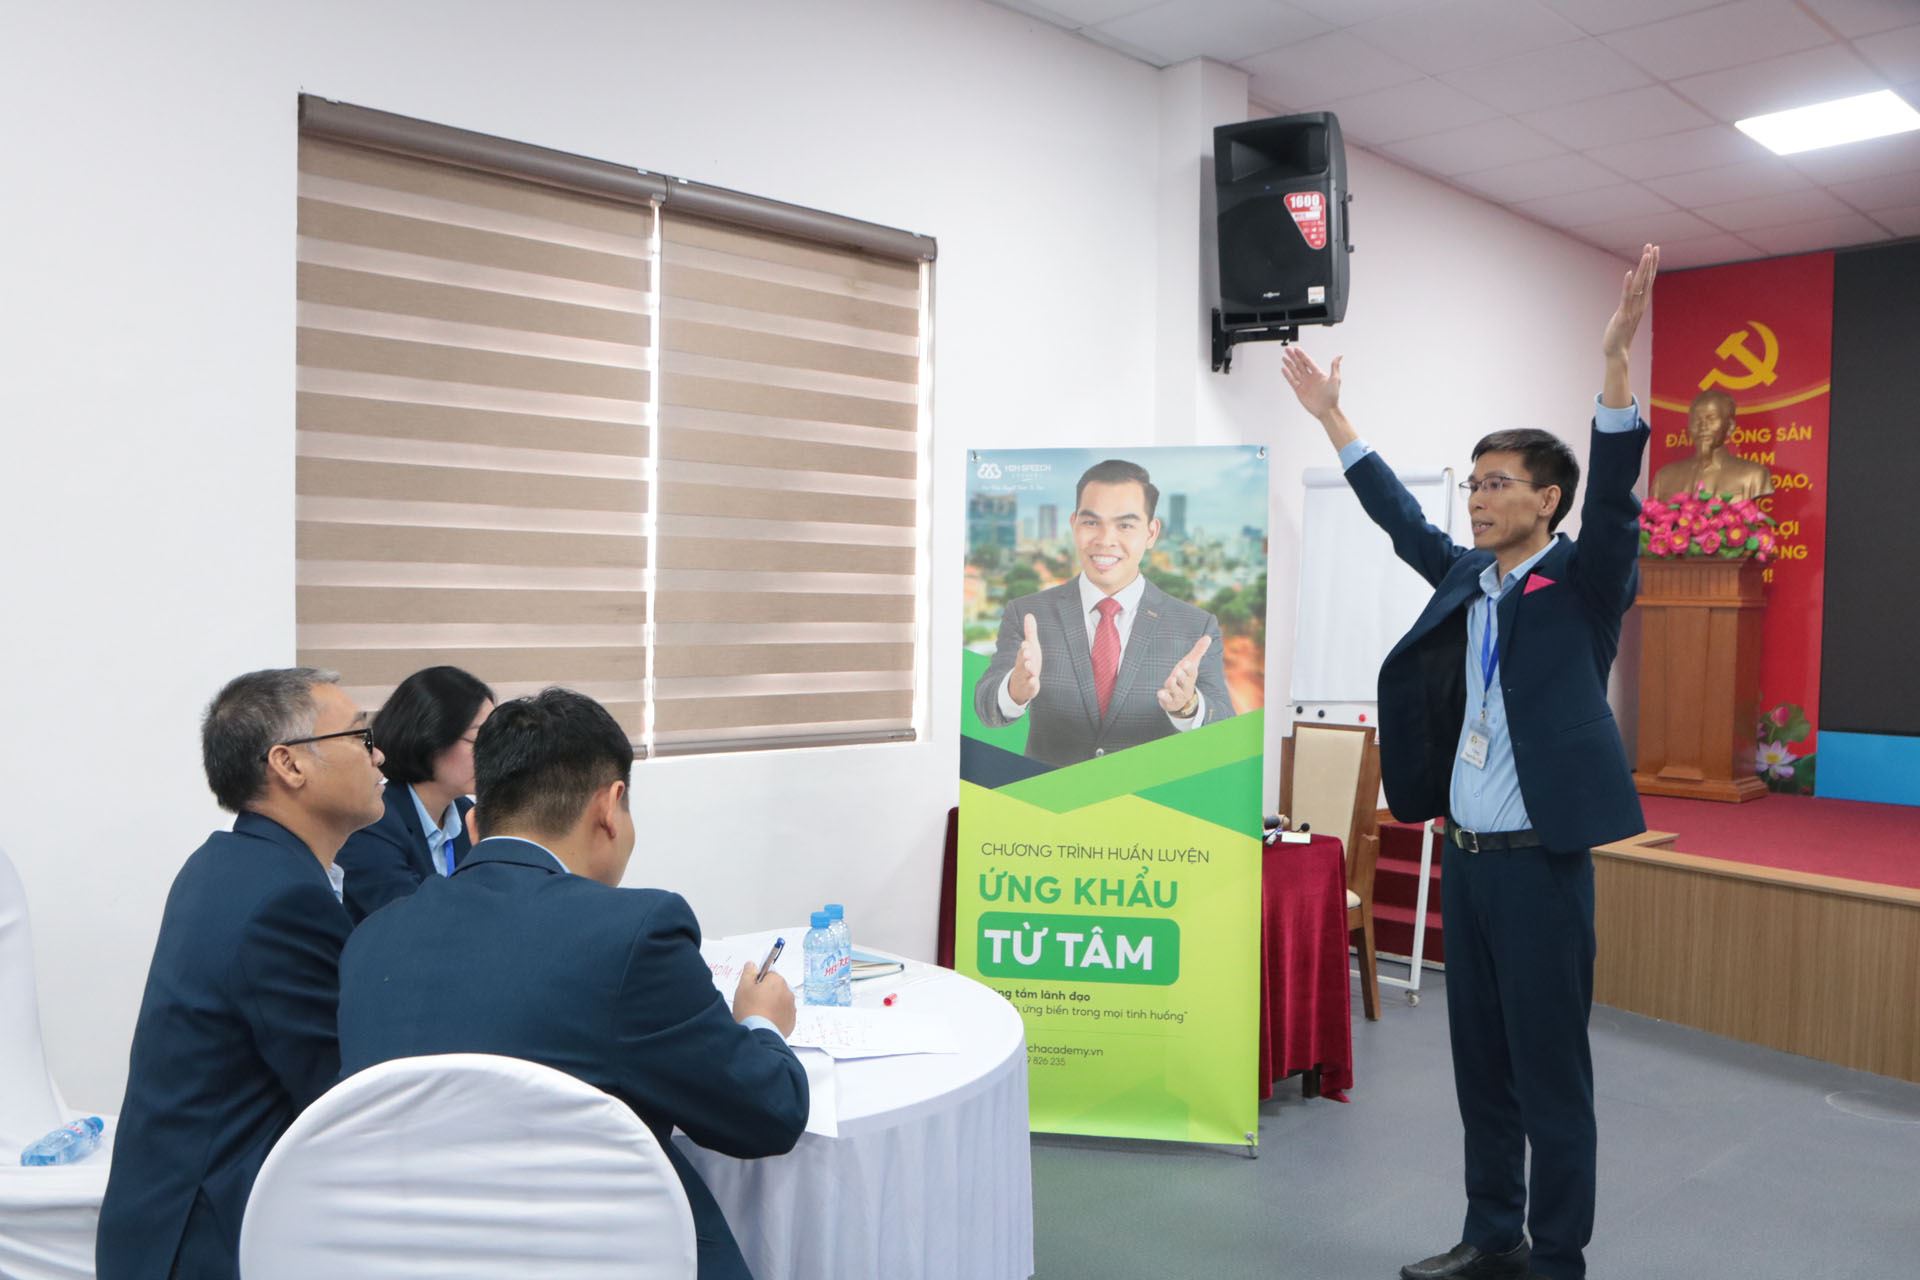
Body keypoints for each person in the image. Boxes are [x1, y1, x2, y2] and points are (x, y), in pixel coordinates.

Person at [1280, 243, 1661, 1280]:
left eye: (1498, 485)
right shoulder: (1467, 579)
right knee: (1482, 1068)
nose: (1478, 498)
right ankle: (1492, 1234)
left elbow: (1616, 500)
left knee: (1551, 1075)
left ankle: (1558, 1256)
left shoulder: (1585, 583)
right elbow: (1398, 518)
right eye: (1476, 481)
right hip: (1472, 860)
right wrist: (1335, 421)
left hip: (1543, 867)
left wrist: (1615, 364)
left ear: (1547, 500)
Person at [335, 687, 807, 1280]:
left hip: (412, 1258)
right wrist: (762, 1022)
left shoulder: (371, 940)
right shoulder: (634, 932)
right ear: (610, 807)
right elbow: (767, 1114)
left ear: (474, 825)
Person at [97, 668, 385, 1280]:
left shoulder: (225, 863)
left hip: (161, 1223)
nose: (378, 755)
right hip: (209, 1240)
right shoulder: (283, 898)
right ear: (290, 764)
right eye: (360, 736)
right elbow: (340, 1094)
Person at [971, 458, 1234, 768]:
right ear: (1074, 525)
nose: (1105, 540)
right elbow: (986, 708)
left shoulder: (1195, 627)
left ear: (1151, 533)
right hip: (1050, 795)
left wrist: (1188, 707)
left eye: (1125, 525)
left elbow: (1225, 729)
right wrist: (1014, 691)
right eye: (1091, 522)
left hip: (1150, 797)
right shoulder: (1028, 614)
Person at [334, 665, 494, 923]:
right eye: (479, 740)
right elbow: (414, 922)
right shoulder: (372, 821)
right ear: (431, 736)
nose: (493, 752)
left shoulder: (469, 814)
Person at [1649, 388, 1773, 502]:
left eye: (1711, 419)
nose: (1703, 426)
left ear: (1730, 426)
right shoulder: (1664, 477)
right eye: (1696, 419)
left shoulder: (1754, 475)